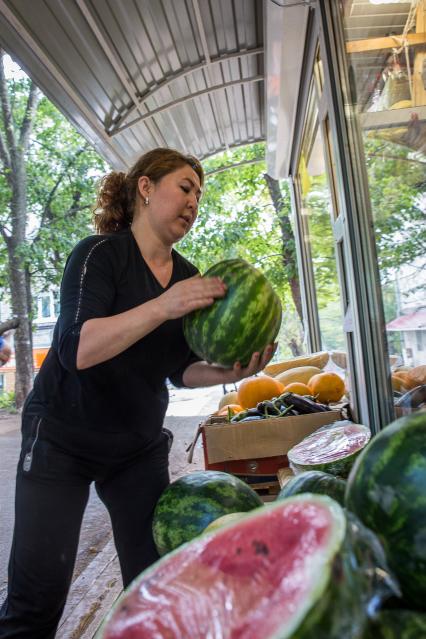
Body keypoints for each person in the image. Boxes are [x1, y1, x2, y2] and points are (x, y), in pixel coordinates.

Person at [0, 147, 276, 639]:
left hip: (136, 447)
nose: (194, 203)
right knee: (35, 601)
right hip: (61, 440)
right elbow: (75, 349)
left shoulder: (190, 278)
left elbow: (177, 369)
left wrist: (231, 371)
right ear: (145, 189)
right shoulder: (98, 255)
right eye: (185, 188)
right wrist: (162, 307)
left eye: (200, 195)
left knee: (153, 587)